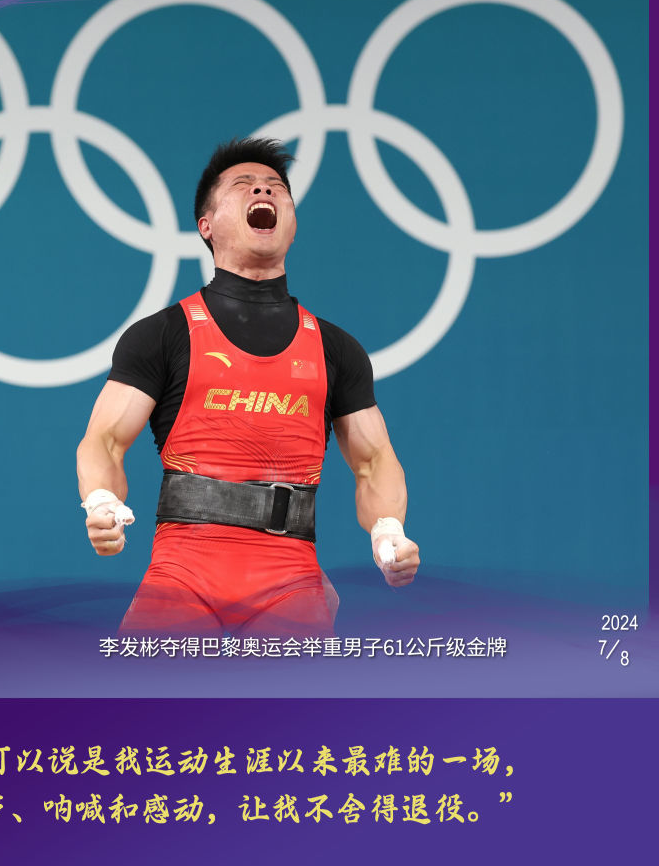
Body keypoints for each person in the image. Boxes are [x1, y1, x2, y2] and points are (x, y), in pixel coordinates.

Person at [76, 137, 420, 635]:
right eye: (244, 184)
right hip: (182, 579)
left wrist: (388, 531)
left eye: (276, 186)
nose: (263, 189)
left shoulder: (335, 349)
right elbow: (103, 440)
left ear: (293, 224)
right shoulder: (162, 335)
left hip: (291, 586)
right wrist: (101, 501)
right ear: (206, 225)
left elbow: (374, 461)